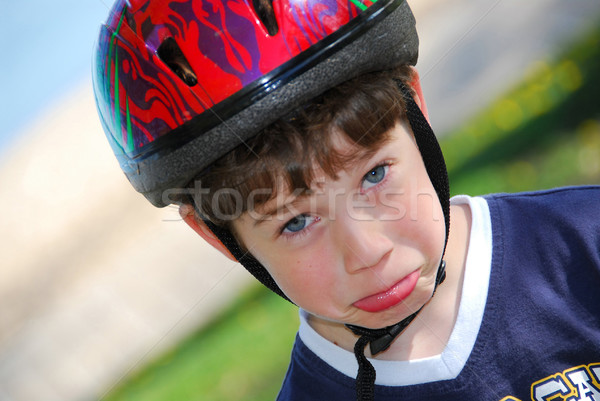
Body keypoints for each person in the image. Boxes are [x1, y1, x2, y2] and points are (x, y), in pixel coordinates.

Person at [92, 0, 600, 399]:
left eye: (375, 174)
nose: (367, 251)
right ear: (219, 237)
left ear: (415, 107)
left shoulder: (585, 242)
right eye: (294, 223)